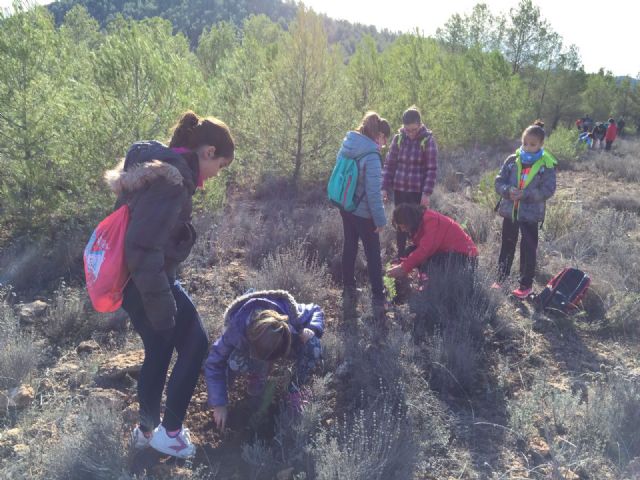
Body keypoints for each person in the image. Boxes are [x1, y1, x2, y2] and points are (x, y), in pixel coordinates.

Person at [106, 111, 235, 458]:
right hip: (145, 282)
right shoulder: (172, 181)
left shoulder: (168, 168)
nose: (216, 174)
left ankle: (146, 432)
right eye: (220, 166)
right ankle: (170, 434)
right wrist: (163, 309)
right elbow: (142, 248)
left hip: (139, 282)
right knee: (194, 343)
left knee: (161, 349)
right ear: (207, 152)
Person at [205, 290, 324, 430]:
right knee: (234, 360)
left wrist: (311, 328)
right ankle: (257, 375)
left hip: (280, 341)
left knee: (313, 345)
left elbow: (316, 310)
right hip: (250, 348)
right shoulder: (235, 329)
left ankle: (295, 390)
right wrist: (219, 403)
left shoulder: (291, 313)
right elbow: (214, 363)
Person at [493, 120, 557, 299]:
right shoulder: (512, 160)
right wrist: (507, 191)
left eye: (532, 144)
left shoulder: (547, 164)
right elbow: (499, 181)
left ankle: (525, 286)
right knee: (507, 245)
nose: (528, 147)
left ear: (541, 144)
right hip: (510, 212)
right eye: (525, 143)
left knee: (528, 249)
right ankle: (501, 279)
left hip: (530, 215)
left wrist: (526, 195)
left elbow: (548, 190)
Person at [338, 111, 391, 320]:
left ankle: (349, 289)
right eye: (384, 140)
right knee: (373, 254)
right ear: (379, 136)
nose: (384, 145)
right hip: (363, 212)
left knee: (349, 246)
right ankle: (379, 298)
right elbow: (372, 193)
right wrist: (380, 220)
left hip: (345, 205)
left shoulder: (348, 143)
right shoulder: (372, 155)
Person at [381, 105, 439, 258]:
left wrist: (426, 194)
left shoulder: (428, 141)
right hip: (400, 191)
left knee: (417, 228)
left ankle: (417, 261)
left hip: (417, 193)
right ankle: (401, 257)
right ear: (403, 127)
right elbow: (389, 165)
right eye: (408, 130)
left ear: (420, 124)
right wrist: (384, 187)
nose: (411, 133)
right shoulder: (398, 138)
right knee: (400, 226)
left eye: (414, 129)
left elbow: (431, 170)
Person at [385, 203, 478, 286]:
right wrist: (403, 266)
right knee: (409, 252)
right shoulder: (420, 221)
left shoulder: (431, 220)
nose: (402, 230)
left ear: (410, 221)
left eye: (403, 226)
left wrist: (403, 268)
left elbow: (425, 250)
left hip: (466, 258)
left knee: (429, 263)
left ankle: (430, 287)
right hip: (449, 253)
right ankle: (406, 286)